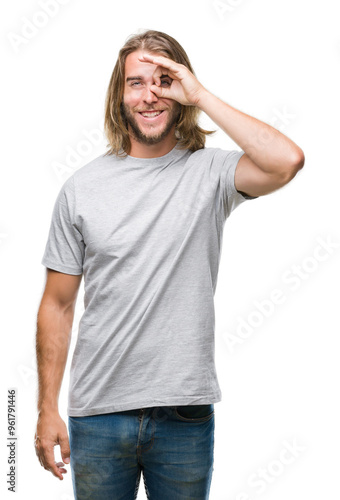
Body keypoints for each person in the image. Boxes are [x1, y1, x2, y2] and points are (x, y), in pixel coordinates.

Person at [34, 29, 304, 499]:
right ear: (119, 96)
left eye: (164, 80)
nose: (150, 95)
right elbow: (56, 306)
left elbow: (287, 160)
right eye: (136, 83)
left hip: (184, 417)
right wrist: (46, 408)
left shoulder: (212, 172)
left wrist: (199, 92)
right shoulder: (81, 188)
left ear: (182, 91)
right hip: (98, 414)